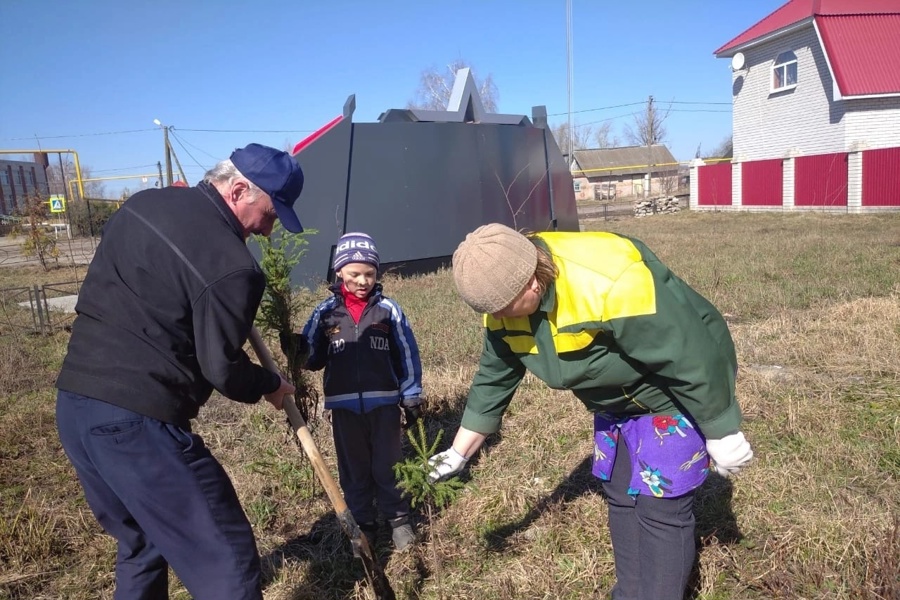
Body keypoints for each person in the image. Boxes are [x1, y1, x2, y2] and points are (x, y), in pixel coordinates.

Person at [428, 223, 753, 600]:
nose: (500, 317)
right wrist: (458, 452)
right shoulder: (500, 305)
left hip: (672, 393)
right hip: (612, 401)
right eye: (492, 311)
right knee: (620, 493)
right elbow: (494, 376)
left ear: (533, 280)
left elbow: (689, 354)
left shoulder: (609, 278)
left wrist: (721, 429)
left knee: (659, 508)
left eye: (505, 307)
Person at [55, 143, 305, 600]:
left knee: (142, 543)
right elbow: (223, 370)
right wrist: (270, 383)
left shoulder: (143, 204)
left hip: (74, 405)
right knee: (227, 561)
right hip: (136, 426)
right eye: (270, 214)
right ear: (238, 190)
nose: (269, 231)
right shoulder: (233, 267)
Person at [290, 232, 423, 553]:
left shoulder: (388, 310)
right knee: (354, 469)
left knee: (389, 465)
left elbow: (406, 353)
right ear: (339, 273)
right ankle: (364, 524)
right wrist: (297, 351)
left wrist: (411, 393)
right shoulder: (325, 313)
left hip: (385, 405)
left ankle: (398, 520)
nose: (362, 281)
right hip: (344, 408)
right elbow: (312, 358)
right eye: (354, 274)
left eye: (369, 274)